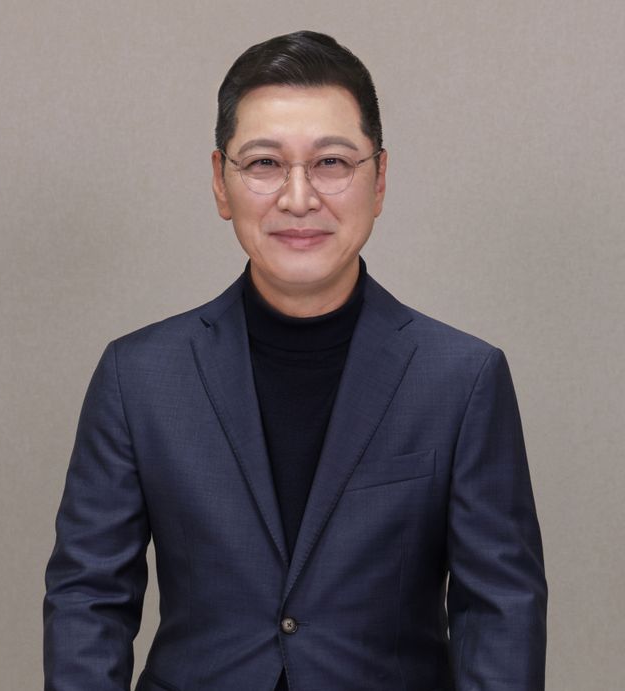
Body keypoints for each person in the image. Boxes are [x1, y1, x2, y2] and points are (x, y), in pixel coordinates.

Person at [44, 30, 547, 691]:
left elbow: (501, 610)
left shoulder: (462, 378)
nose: (299, 197)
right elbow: (87, 598)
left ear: (380, 180)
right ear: (221, 183)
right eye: (265, 163)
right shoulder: (137, 376)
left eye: (332, 162)